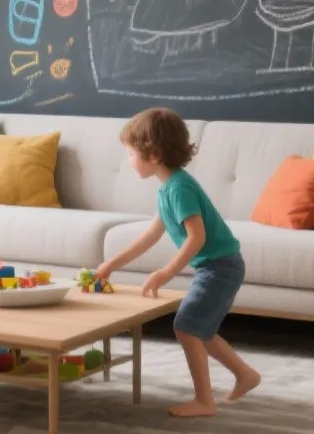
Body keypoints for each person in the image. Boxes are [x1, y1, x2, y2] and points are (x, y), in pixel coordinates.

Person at [95, 108, 261, 416]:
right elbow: (152, 234)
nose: (129, 161)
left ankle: (204, 402)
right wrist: (111, 265)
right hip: (218, 266)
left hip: (220, 268)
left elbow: (195, 237)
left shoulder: (180, 187)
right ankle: (245, 376)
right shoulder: (167, 188)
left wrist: (165, 273)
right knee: (201, 330)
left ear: (154, 154)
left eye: (132, 154)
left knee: (186, 327)